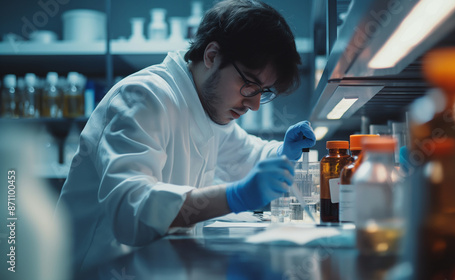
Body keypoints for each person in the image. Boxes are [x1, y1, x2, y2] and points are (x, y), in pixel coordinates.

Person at [56, 0, 316, 271]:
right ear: (212, 56)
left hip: (155, 267)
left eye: (263, 92)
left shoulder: (207, 107)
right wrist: (234, 197)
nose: (253, 105)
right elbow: (130, 210)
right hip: (101, 269)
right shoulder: (145, 97)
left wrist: (284, 153)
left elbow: (247, 155)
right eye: (250, 85)